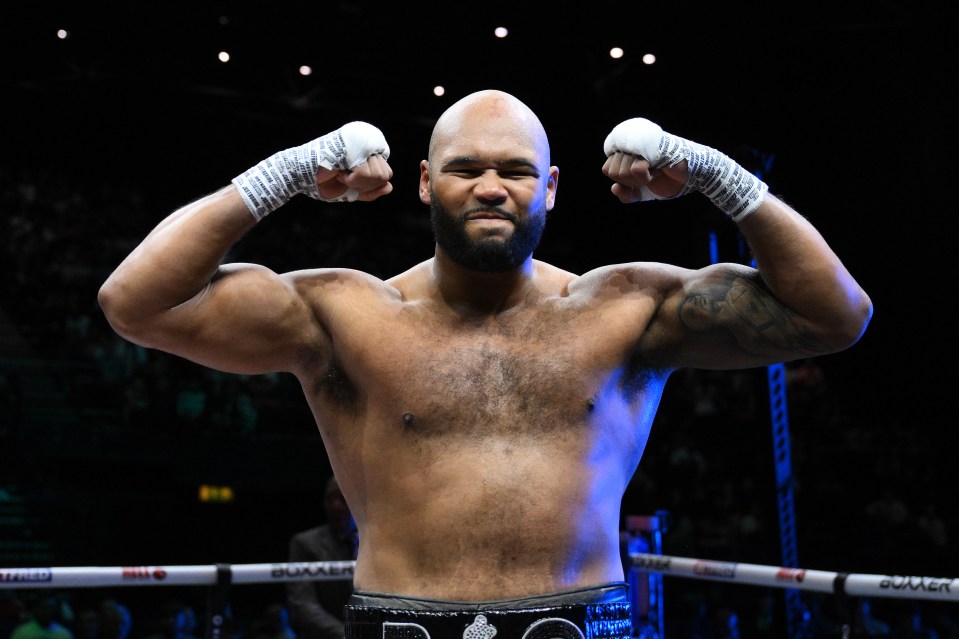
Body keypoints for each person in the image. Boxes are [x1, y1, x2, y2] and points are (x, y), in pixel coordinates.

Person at [98, 89, 872, 638]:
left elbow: (835, 315)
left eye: (517, 169)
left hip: (583, 620)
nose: (492, 188)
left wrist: (711, 172)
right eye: (466, 168)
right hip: (398, 621)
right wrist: (289, 171)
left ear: (552, 188)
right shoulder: (345, 314)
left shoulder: (626, 309)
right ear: (429, 183)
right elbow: (135, 302)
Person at [285, 475, 357, 639]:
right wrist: (349, 635)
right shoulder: (305, 543)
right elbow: (302, 605)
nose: (335, 506)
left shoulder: (375, 545)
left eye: (342, 498)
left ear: (357, 501)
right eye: (329, 499)